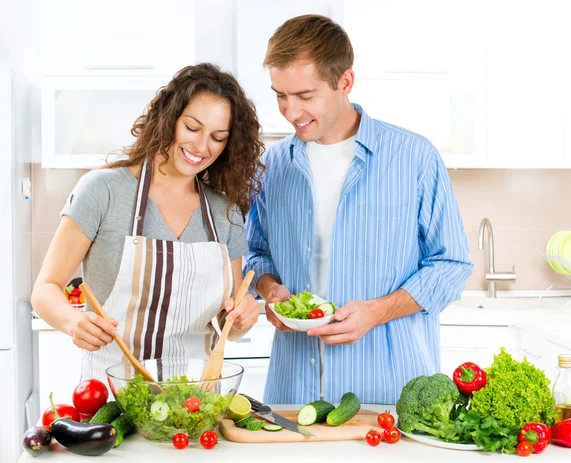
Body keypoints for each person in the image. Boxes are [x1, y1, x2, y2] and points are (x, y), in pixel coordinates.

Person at [244, 15, 474, 405]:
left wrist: (378, 311)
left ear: (345, 82)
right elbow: (254, 253)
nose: (289, 111)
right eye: (280, 95)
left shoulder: (413, 157)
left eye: (305, 95)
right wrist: (269, 290)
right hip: (293, 392)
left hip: (390, 393)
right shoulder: (273, 165)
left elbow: (451, 264)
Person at [32, 63, 263, 382]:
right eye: (192, 128)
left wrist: (241, 320)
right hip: (114, 397)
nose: (201, 146)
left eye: (217, 137)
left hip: (196, 404)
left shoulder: (225, 213)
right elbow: (45, 289)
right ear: (170, 119)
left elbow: (229, 323)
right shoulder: (103, 190)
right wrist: (73, 322)